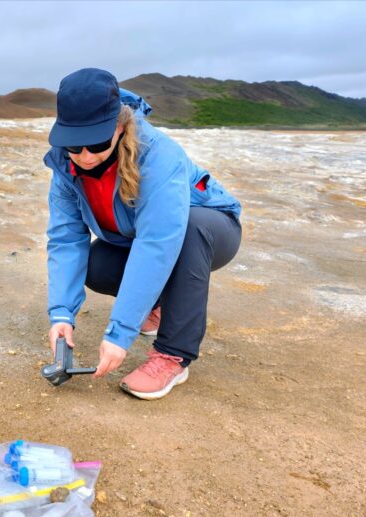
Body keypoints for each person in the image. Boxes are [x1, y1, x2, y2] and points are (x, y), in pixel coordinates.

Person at [44, 68, 242, 400]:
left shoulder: (159, 155)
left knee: (190, 228)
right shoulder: (66, 167)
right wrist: (61, 313)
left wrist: (120, 333)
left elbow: (157, 243)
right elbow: (66, 239)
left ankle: (173, 355)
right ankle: (162, 305)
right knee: (97, 264)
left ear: (119, 128)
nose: (85, 156)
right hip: (140, 239)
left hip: (211, 231)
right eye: (73, 146)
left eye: (96, 143)